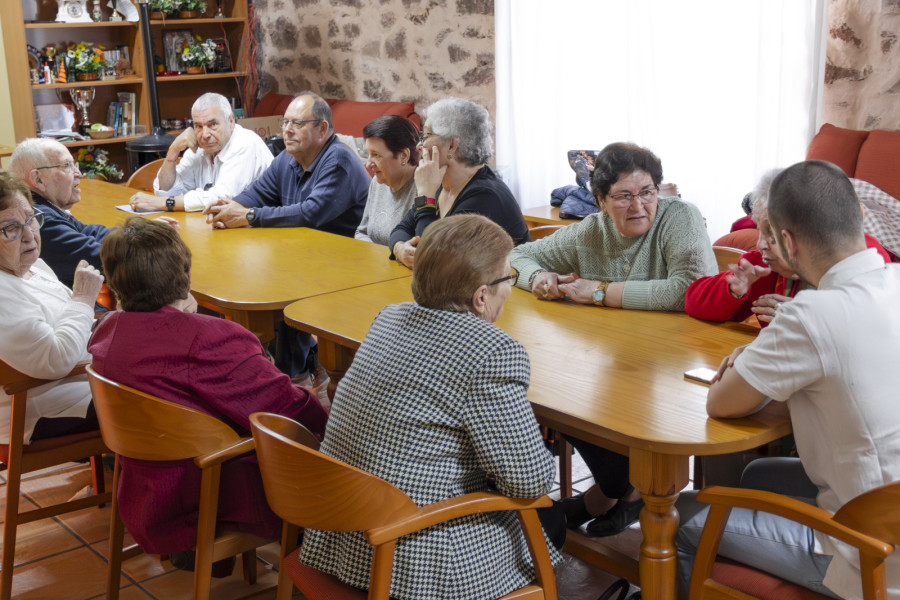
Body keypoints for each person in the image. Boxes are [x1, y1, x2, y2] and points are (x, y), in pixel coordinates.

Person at [299, 214, 565, 600]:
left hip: (340, 533)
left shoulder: (388, 318)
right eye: (508, 279)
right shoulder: (492, 351)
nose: (510, 288)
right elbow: (528, 482)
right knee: (549, 516)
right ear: (480, 296)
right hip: (412, 556)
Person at [675, 160, 900, 600]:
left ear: (788, 242)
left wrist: (748, 355)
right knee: (759, 471)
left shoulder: (811, 316)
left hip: (870, 553)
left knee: (683, 514)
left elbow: (720, 403)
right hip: (889, 503)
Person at [88, 217, 328, 576]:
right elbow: (285, 407)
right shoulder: (209, 337)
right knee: (326, 444)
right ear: (184, 277)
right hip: (209, 485)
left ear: (115, 280)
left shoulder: (107, 331)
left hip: (146, 486)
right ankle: (319, 565)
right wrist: (328, 416)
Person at [511, 142, 717, 537]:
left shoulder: (680, 218)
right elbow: (517, 257)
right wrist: (539, 279)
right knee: (552, 393)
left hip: (679, 365)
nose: (638, 206)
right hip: (612, 362)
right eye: (623, 196)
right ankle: (618, 490)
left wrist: (602, 292)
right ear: (601, 200)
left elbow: (689, 289)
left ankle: (620, 492)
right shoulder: (591, 231)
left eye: (647, 192)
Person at [686, 169, 892, 326]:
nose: (760, 244)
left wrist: (802, 318)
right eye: (760, 230)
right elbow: (694, 302)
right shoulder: (763, 266)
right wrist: (733, 289)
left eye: (774, 234)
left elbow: (868, 329)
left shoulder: (862, 258)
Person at [0, 171, 103, 445]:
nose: (29, 236)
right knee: (162, 393)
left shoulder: (30, 265)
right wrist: (83, 298)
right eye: (11, 228)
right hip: (39, 408)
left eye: (31, 220)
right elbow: (55, 360)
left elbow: (75, 326)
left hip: (77, 382)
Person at [8, 138, 177, 288]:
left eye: (75, 165)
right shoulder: (37, 220)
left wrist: (142, 232)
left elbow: (88, 232)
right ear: (37, 179)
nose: (78, 174)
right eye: (67, 166)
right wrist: (150, 246)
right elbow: (102, 259)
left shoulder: (45, 207)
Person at [388, 97, 530, 268]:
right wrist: (400, 248)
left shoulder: (485, 196)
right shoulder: (441, 183)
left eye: (426, 136)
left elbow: (434, 259)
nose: (419, 145)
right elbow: (400, 229)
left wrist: (426, 196)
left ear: (451, 146)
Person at [202, 90, 368, 235]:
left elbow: (310, 214)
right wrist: (226, 210)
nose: (287, 130)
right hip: (303, 250)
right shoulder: (286, 158)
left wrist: (248, 215)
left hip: (345, 258)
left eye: (297, 123)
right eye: (285, 122)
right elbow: (257, 194)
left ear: (322, 129)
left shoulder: (338, 161)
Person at [128, 92, 273, 213]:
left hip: (264, 231)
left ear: (231, 121)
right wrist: (172, 151)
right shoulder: (200, 149)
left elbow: (220, 199)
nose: (205, 134)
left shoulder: (245, 142)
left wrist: (160, 203)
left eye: (213, 124)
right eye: (198, 126)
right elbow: (168, 191)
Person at [354, 115, 419, 245]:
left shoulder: (424, 187)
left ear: (404, 156)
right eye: (369, 154)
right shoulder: (378, 181)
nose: (368, 165)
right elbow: (361, 233)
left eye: (376, 155)